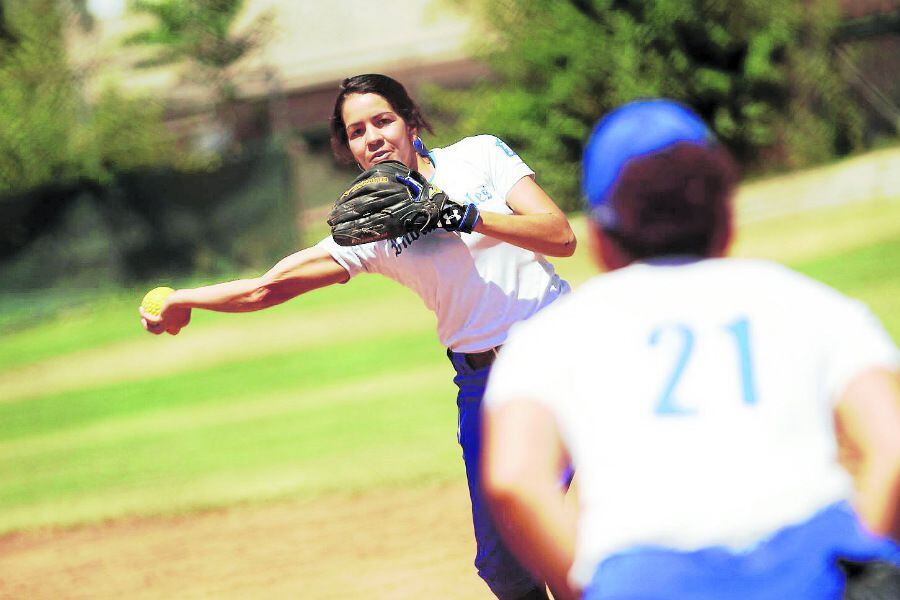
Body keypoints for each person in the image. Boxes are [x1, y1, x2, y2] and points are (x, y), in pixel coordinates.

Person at [139, 73, 576, 600]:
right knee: (503, 569)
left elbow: (560, 235)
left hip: (560, 359)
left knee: (548, 531)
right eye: (355, 131)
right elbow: (266, 289)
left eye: (382, 120)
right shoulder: (369, 233)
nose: (371, 136)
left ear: (411, 122)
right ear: (349, 148)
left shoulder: (477, 158)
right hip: (483, 386)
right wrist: (186, 299)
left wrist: (464, 215)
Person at [481, 99, 900, 599]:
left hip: (649, 577)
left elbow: (514, 480)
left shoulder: (549, 337)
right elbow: (891, 449)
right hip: (811, 562)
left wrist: (603, 587)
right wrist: (860, 556)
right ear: (725, 218)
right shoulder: (809, 302)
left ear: (601, 238)